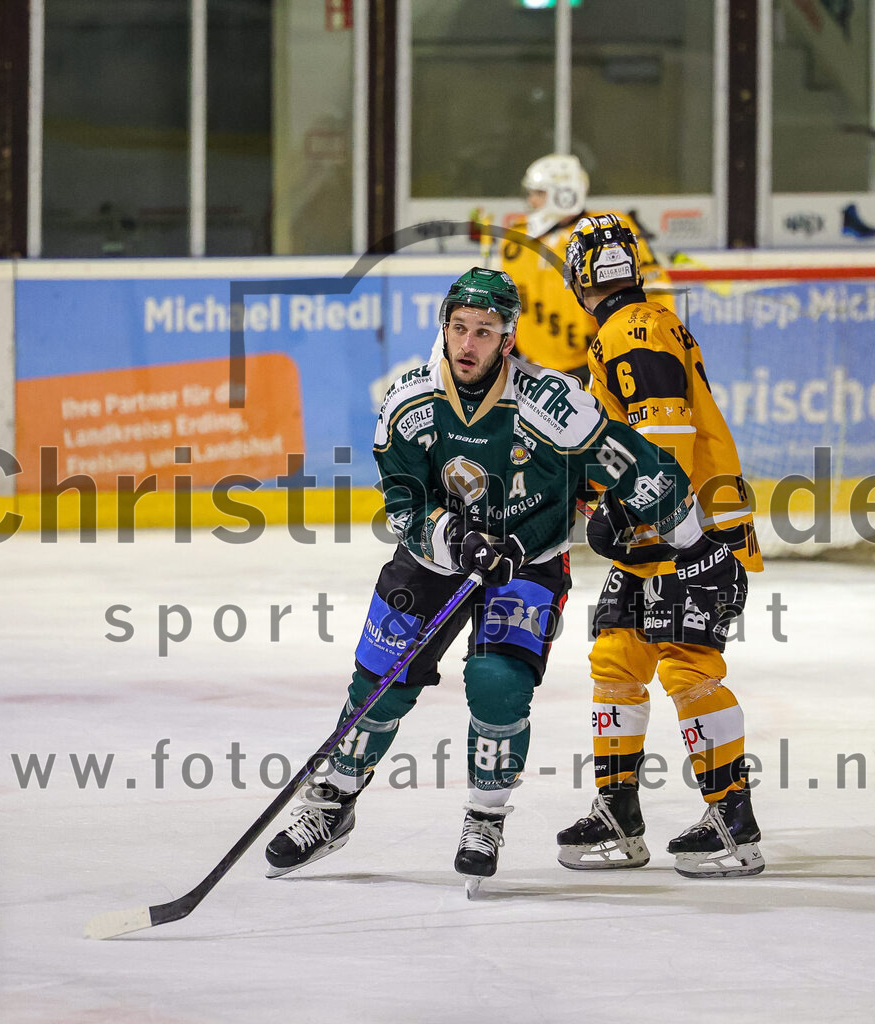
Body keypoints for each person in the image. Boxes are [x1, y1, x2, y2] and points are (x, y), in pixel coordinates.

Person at [264, 267, 729, 892]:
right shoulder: (408, 405)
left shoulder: (552, 406)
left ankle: (485, 818)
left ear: (508, 340)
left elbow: (634, 463)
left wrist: (697, 545)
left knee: (497, 681)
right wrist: (455, 539)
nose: (468, 343)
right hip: (434, 561)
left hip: (527, 562)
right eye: (459, 328)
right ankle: (331, 802)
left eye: (484, 331)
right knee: (380, 680)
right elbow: (404, 504)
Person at [556, 215, 766, 878]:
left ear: (577, 279)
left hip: (687, 531)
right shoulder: (639, 324)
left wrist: (632, 515)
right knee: (618, 656)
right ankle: (619, 810)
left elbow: (665, 435)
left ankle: (734, 822)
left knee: (686, 665)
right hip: (659, 530)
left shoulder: (630, 330)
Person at [500, 153, 671, 385]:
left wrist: (648, 347)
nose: (531, 201)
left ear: (566, 194)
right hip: (535, 373)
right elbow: (507, 302)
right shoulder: (515, 239)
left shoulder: (609, 228)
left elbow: (654, 287)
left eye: (539, 193)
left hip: (598, 366)